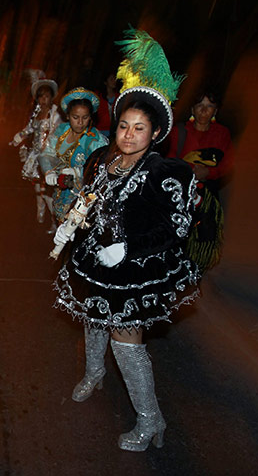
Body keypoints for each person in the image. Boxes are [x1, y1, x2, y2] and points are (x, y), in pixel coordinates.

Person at [52, 29, 199, 451]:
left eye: (139, 128)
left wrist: (128, 249)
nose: (129, 135)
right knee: (92, 316)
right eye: (123, 126)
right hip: (97, 259)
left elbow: (177, 227)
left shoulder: (165, 173)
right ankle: (94, 374)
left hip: (136, 269)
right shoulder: (104, 160)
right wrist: (73, 220)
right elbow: (91, 200)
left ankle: (151, 419)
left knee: (127, 341)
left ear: (154, 134)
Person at [166, 90, 232, 272]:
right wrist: (187, 172)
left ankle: (197, 269)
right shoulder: (179, 132)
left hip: (208, 192)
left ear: (215, 111)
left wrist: (208, 172)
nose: (204, 111)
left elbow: (226, 164)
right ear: (192, 109)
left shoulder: (221, 134)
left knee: (205, 234)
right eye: (200, 106)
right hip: (182, 191)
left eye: (209, 107)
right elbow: (170, 159)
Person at [43, 87, 108, 224]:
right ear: (67, 116)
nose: (80, 122)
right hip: (60, 192)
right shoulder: (62, 130)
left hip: (81, 200)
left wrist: (77, 172)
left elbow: (103, 171)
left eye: (85, 118)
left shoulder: (95, 140)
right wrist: (48, 171)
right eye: (75, 117)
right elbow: (46, 153)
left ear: (90, 117)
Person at [10, 74, 62, 225]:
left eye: (47, 96)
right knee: (38, 187)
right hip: (36, 155)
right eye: (41, 96)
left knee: (48, 190)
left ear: (52, 97)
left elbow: (58, 133)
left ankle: (54, 220)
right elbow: (29, 128)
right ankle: (40, 211)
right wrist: (18, 137)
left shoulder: (55, 113)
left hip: (50, 156)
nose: (43, 99)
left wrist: (50, 149)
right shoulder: (37, 112)